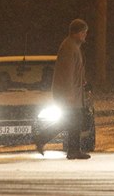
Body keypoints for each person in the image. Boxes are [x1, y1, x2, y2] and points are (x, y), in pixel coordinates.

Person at [35, 18, 91, 159]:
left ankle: (70, 149)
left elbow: (75, 71)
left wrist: (84, 83)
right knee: (73, 121)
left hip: (72, 92)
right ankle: (69, 149)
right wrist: (69, 93)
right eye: (84, 32)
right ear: (77, 33)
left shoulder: (72, 46)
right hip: (68, 93)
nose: (85, 35)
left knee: (71, 121)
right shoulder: (69, 47)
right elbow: (67, 72)